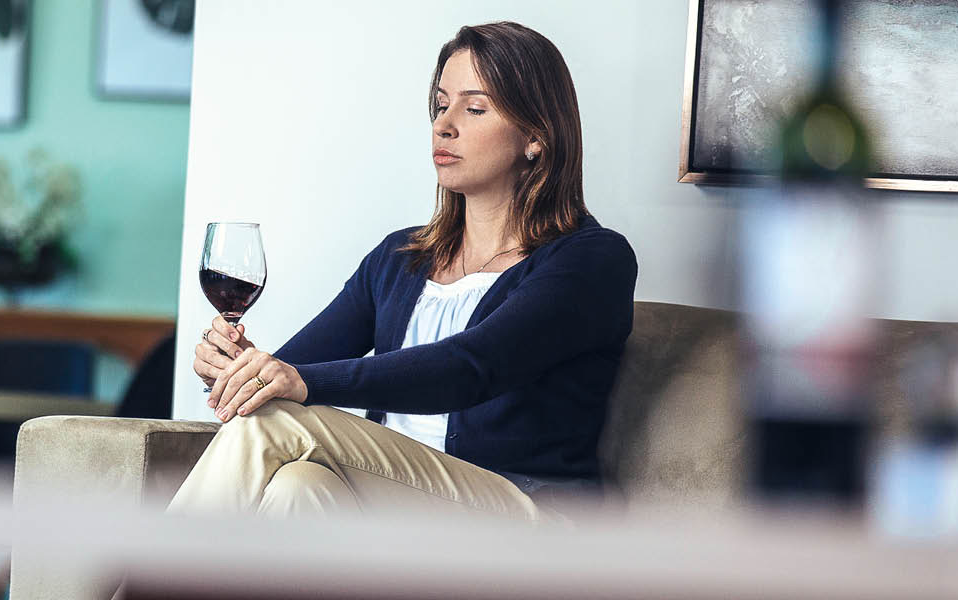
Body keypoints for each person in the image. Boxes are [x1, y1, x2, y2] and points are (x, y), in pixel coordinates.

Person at [173, 21, 637, 522]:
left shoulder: (591, 260)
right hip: (403, 503)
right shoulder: (400, 257)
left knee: (274, 424)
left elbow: (470, 368)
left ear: (536, 137)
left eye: (474, 108)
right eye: (441, 105)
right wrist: (241, 367)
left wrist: (290, 381)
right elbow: (296, 366)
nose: (445, 124)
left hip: (526, 513)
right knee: (295, 486)